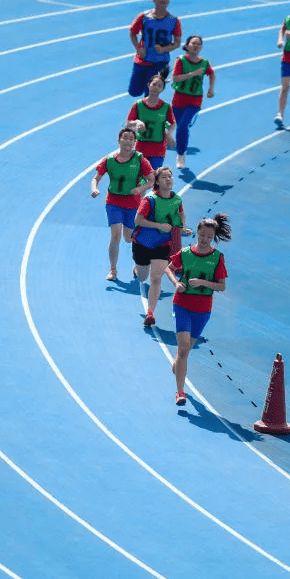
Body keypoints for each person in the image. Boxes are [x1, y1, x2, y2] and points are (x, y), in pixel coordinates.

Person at [164, 213, 230, 406]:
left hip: (202, 309)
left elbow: (221, 286)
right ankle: (180, 392)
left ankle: (178, 365)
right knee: (183, 349)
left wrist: (201, 282)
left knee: (185, 351)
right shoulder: (185, 253)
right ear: (197, 233)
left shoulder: (217, 257)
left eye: (209, 237)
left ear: (213, 237)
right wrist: (177, 283)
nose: (205, 240)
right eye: (202, 236)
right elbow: (169, 268)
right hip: (182, 303)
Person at [91, 124, 156, 281]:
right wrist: (94, 188)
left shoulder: (140, 160)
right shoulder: (109, 160)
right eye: (124, 137)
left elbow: (152, 180)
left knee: (129, 237)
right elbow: (96, 177)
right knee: (115, 235)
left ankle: (139, 261)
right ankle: (113, 270)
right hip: (113, 201)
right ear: (119, 140)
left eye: (131, 139)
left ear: (135, 142)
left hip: (132, 204)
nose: (127, 141)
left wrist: (140, 189)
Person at [132, 167, 191, 327]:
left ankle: (150, 312)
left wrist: (183, 227)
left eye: (170, 176)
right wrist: (158, 225)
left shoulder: (177, 200)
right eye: (164, 177)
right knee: (143, 277)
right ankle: (137, 269)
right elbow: (138, 220)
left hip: (163, 244)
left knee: (156, 278)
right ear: (157, 181)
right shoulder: (150, 200)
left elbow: (180, 214)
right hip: (142, 243)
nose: (168, 179)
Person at [170, 35, 215, 170]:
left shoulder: (205, 63)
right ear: (187, 45)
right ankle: (180, 146)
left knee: (183, 125)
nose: (196, 46)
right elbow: (175, 78)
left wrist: (211, 88)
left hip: (194, 100)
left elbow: (211, 74)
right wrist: (192, 74)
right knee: (180, 127)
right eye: (193, 43)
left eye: (199, 44)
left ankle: (181, 154)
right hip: (179, 99)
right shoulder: (181, 61)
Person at [128, 0, 182, 98]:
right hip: (142, 59)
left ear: (168, 0)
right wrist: (138, 48)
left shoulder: (174, 21)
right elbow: (132, 32)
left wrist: (164, 49)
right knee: (134, 92)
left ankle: (146, 113)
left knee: (151, 94)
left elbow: (177, 43)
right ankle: (145, 83)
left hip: (160, 62)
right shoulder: (144, 16)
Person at [127, 71, 177, 170]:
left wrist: (169, 134)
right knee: (138, 178)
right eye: (154, 84)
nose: (156, 87)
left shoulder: (165, 107)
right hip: (141, 147)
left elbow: (172, 123)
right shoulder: (138, 105)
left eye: (159, 86)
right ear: (148, 85)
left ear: (162, 89)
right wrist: (137, 122)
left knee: (154, 177)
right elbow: (129, 123)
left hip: (158, 148)